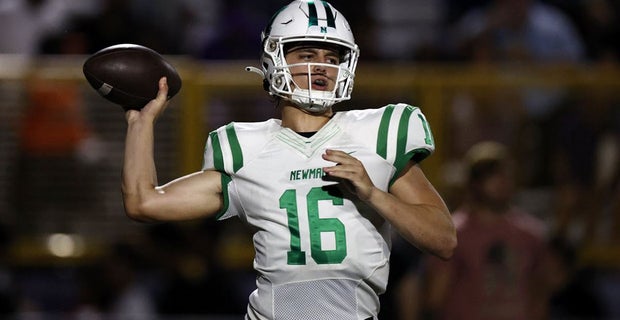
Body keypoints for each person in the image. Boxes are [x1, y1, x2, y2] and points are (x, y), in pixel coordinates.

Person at [121, 1, 456, 319]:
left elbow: (444, 240)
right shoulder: (244, 149)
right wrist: (141, 123)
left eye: (331, 57)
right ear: (273, 59)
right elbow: (144, 202)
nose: (321, 66)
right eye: (307, 54)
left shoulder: (378, 134)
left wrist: (373, 194)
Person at [421, 141, 548, 320]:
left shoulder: (530, 234)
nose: (502, 182)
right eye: (492, 175)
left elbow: (539, 293)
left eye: (506, 175)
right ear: (474, 182)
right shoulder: (453, 235)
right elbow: (435, 298)